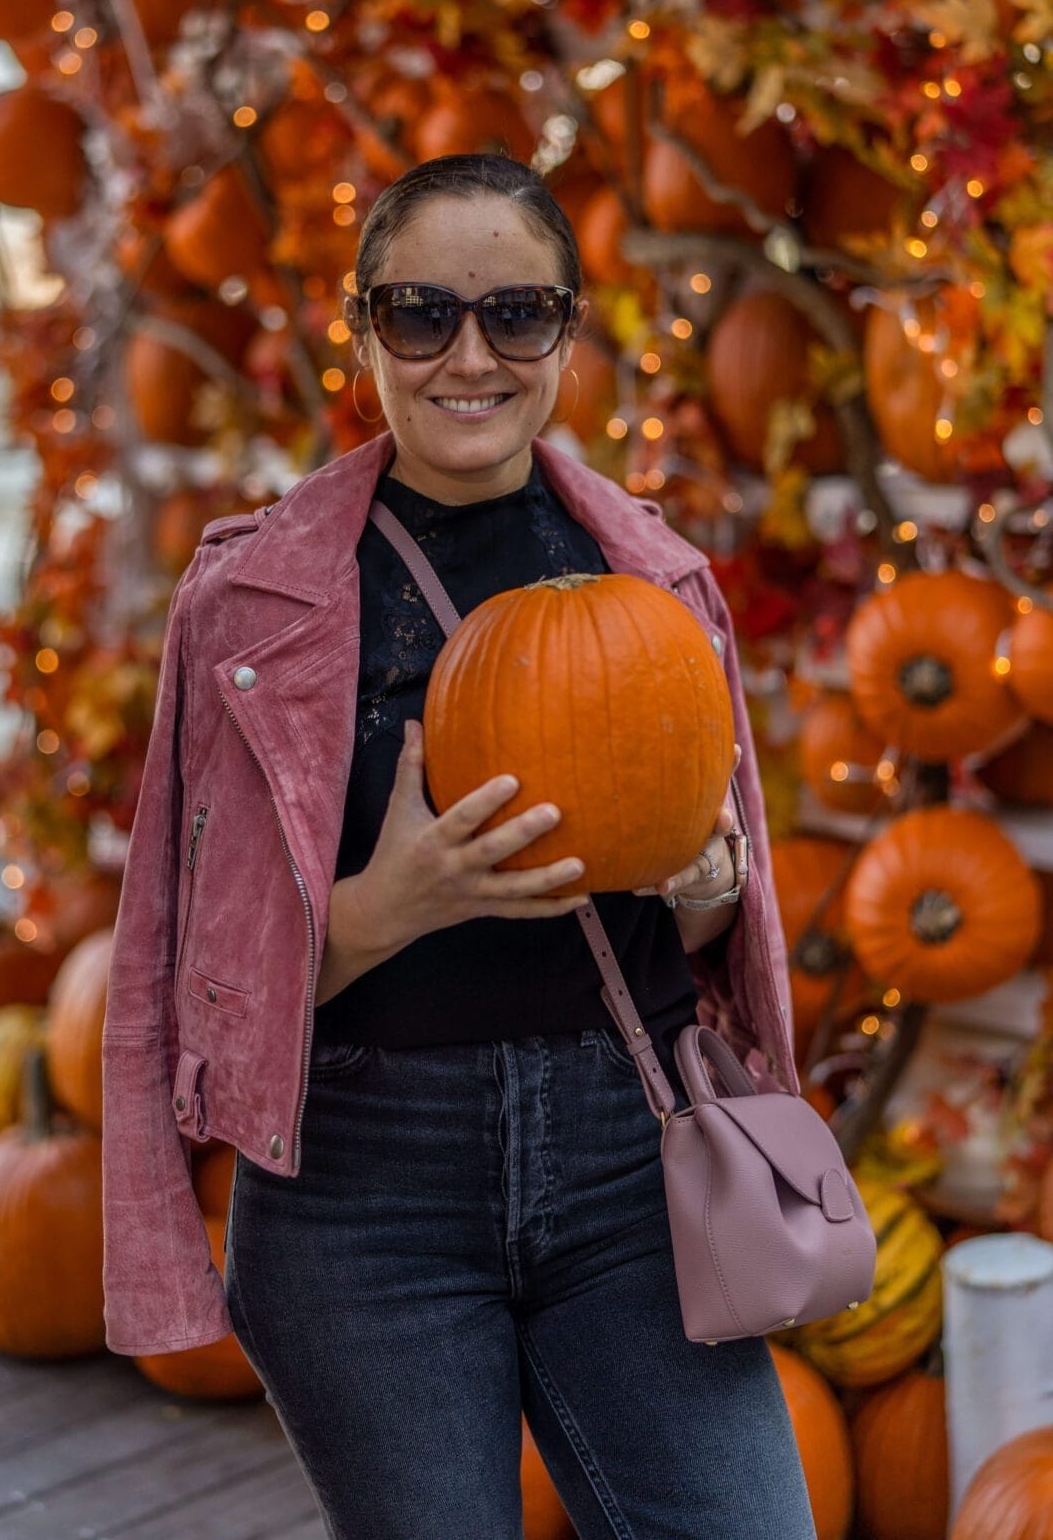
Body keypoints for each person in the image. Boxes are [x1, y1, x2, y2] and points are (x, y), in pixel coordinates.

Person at [101, 154, 816, 1540]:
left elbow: (727, 928)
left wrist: (711, 887)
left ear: (567, 330)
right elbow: (186, 981)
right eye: (422, 316)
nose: (468, 357)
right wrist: (389, 905)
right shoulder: (252, 604)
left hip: (634, 1164)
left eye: (516, 315)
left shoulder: (655, 578)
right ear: (364, 331)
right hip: (367, 1189)